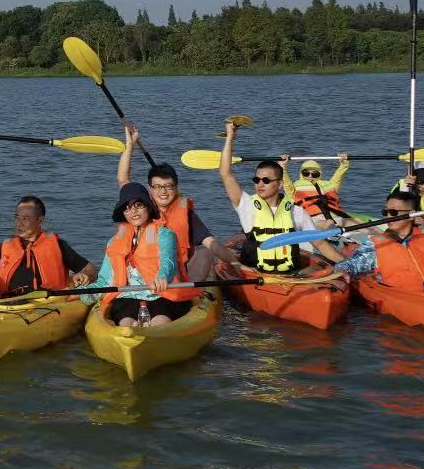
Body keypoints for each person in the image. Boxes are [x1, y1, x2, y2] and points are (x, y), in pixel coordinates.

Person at [117, 124, 242, 281]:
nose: (163, 192)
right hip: (145, 272)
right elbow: (123, 180)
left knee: (205, 252)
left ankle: (190, 296)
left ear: (175, 187)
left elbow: (210, 242)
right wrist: (130, 145)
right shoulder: (141, 207)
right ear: (150, 188)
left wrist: (235, 263)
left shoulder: (184, 212)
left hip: (177, 274)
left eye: (168, 186)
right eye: (158, 187)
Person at [218, 119, 345, 273]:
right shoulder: (246, 205)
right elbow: (226, 174)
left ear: (279, 185)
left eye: (266, 180)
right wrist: (230, 136)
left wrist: (347, 263)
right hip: (257, 275)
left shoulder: (295, 211)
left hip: (289, 274)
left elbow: (320, 244)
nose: (260, 184)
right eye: (256, 180)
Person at [90, 183, 193, 327]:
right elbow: (105, 280)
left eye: (138, 205)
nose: (133, 211)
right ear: (123, 213)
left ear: (148, 207)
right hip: (128, 297)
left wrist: (162, 277)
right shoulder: (113, 242)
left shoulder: (165, 234)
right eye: (127, 208)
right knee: (126, 324)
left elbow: (168, 262)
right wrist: (82, 294)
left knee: (160, 321)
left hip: (162, 294)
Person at [330, 190, 424, 286]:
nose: (388, 217)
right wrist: (342, 271)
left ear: (411, 214)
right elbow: (351, 264)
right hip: (407, 298)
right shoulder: (376, 245)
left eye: (393, 212)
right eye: (385, 212)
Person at [0, 196, 96, 298]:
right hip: (7, 301)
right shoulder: (5, 245)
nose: (19, 223)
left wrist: (81, 276)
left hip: (47, 301)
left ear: (40, 221)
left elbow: (90, 269)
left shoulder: (58, 245)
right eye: (17, 217)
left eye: (25, 218)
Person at [283, 154, 352, 220]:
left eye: (314, 174)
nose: (310, 176)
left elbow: (339, 175)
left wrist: (344, 164)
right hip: (312, 218)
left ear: (319, 174)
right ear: (301, 173)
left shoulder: (330, 184)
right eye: (306, 173)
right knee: (327, 223)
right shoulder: (294, 187)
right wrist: (282, 165)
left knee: (356, 223)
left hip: (335, 215)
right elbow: (285, 181)